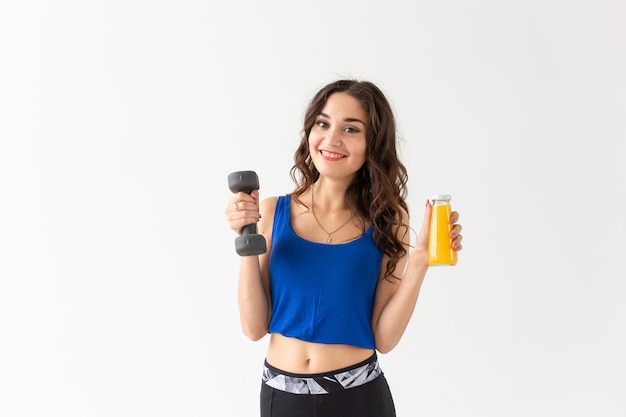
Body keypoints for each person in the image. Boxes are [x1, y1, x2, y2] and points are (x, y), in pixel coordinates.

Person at [225, 79, 463, 417]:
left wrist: (420, 262)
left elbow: (385, 338)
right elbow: (253, 328)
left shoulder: (387, 218)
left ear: (372, 144)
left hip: (358, 398)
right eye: (323, 123)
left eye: (351, 129)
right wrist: (244, 239)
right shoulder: (270, 211)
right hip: (282, 399)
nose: (331, 139)